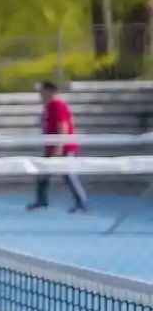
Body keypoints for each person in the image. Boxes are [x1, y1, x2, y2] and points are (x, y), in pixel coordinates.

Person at [30, 80, 90, 213]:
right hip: (51, 146)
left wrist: (59, 145)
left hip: (63, 147)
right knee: (43, 173)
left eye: (42, 92)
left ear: (50, 92)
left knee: (69, 175)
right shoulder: (48, 106)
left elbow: (63, 125)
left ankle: (81, 203)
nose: (40, 95)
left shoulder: (58, 105)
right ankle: (42, 201)